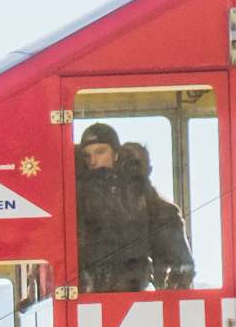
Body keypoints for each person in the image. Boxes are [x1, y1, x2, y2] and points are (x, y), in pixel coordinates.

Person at [75, 123, 195, 292]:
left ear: (115, 154)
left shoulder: (137, 191)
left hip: (132, 287)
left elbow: (167, 221)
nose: (93, 161)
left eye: (100, 152)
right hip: (85, 288)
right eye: (87, 155)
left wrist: (179, 272)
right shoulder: (75, 194)